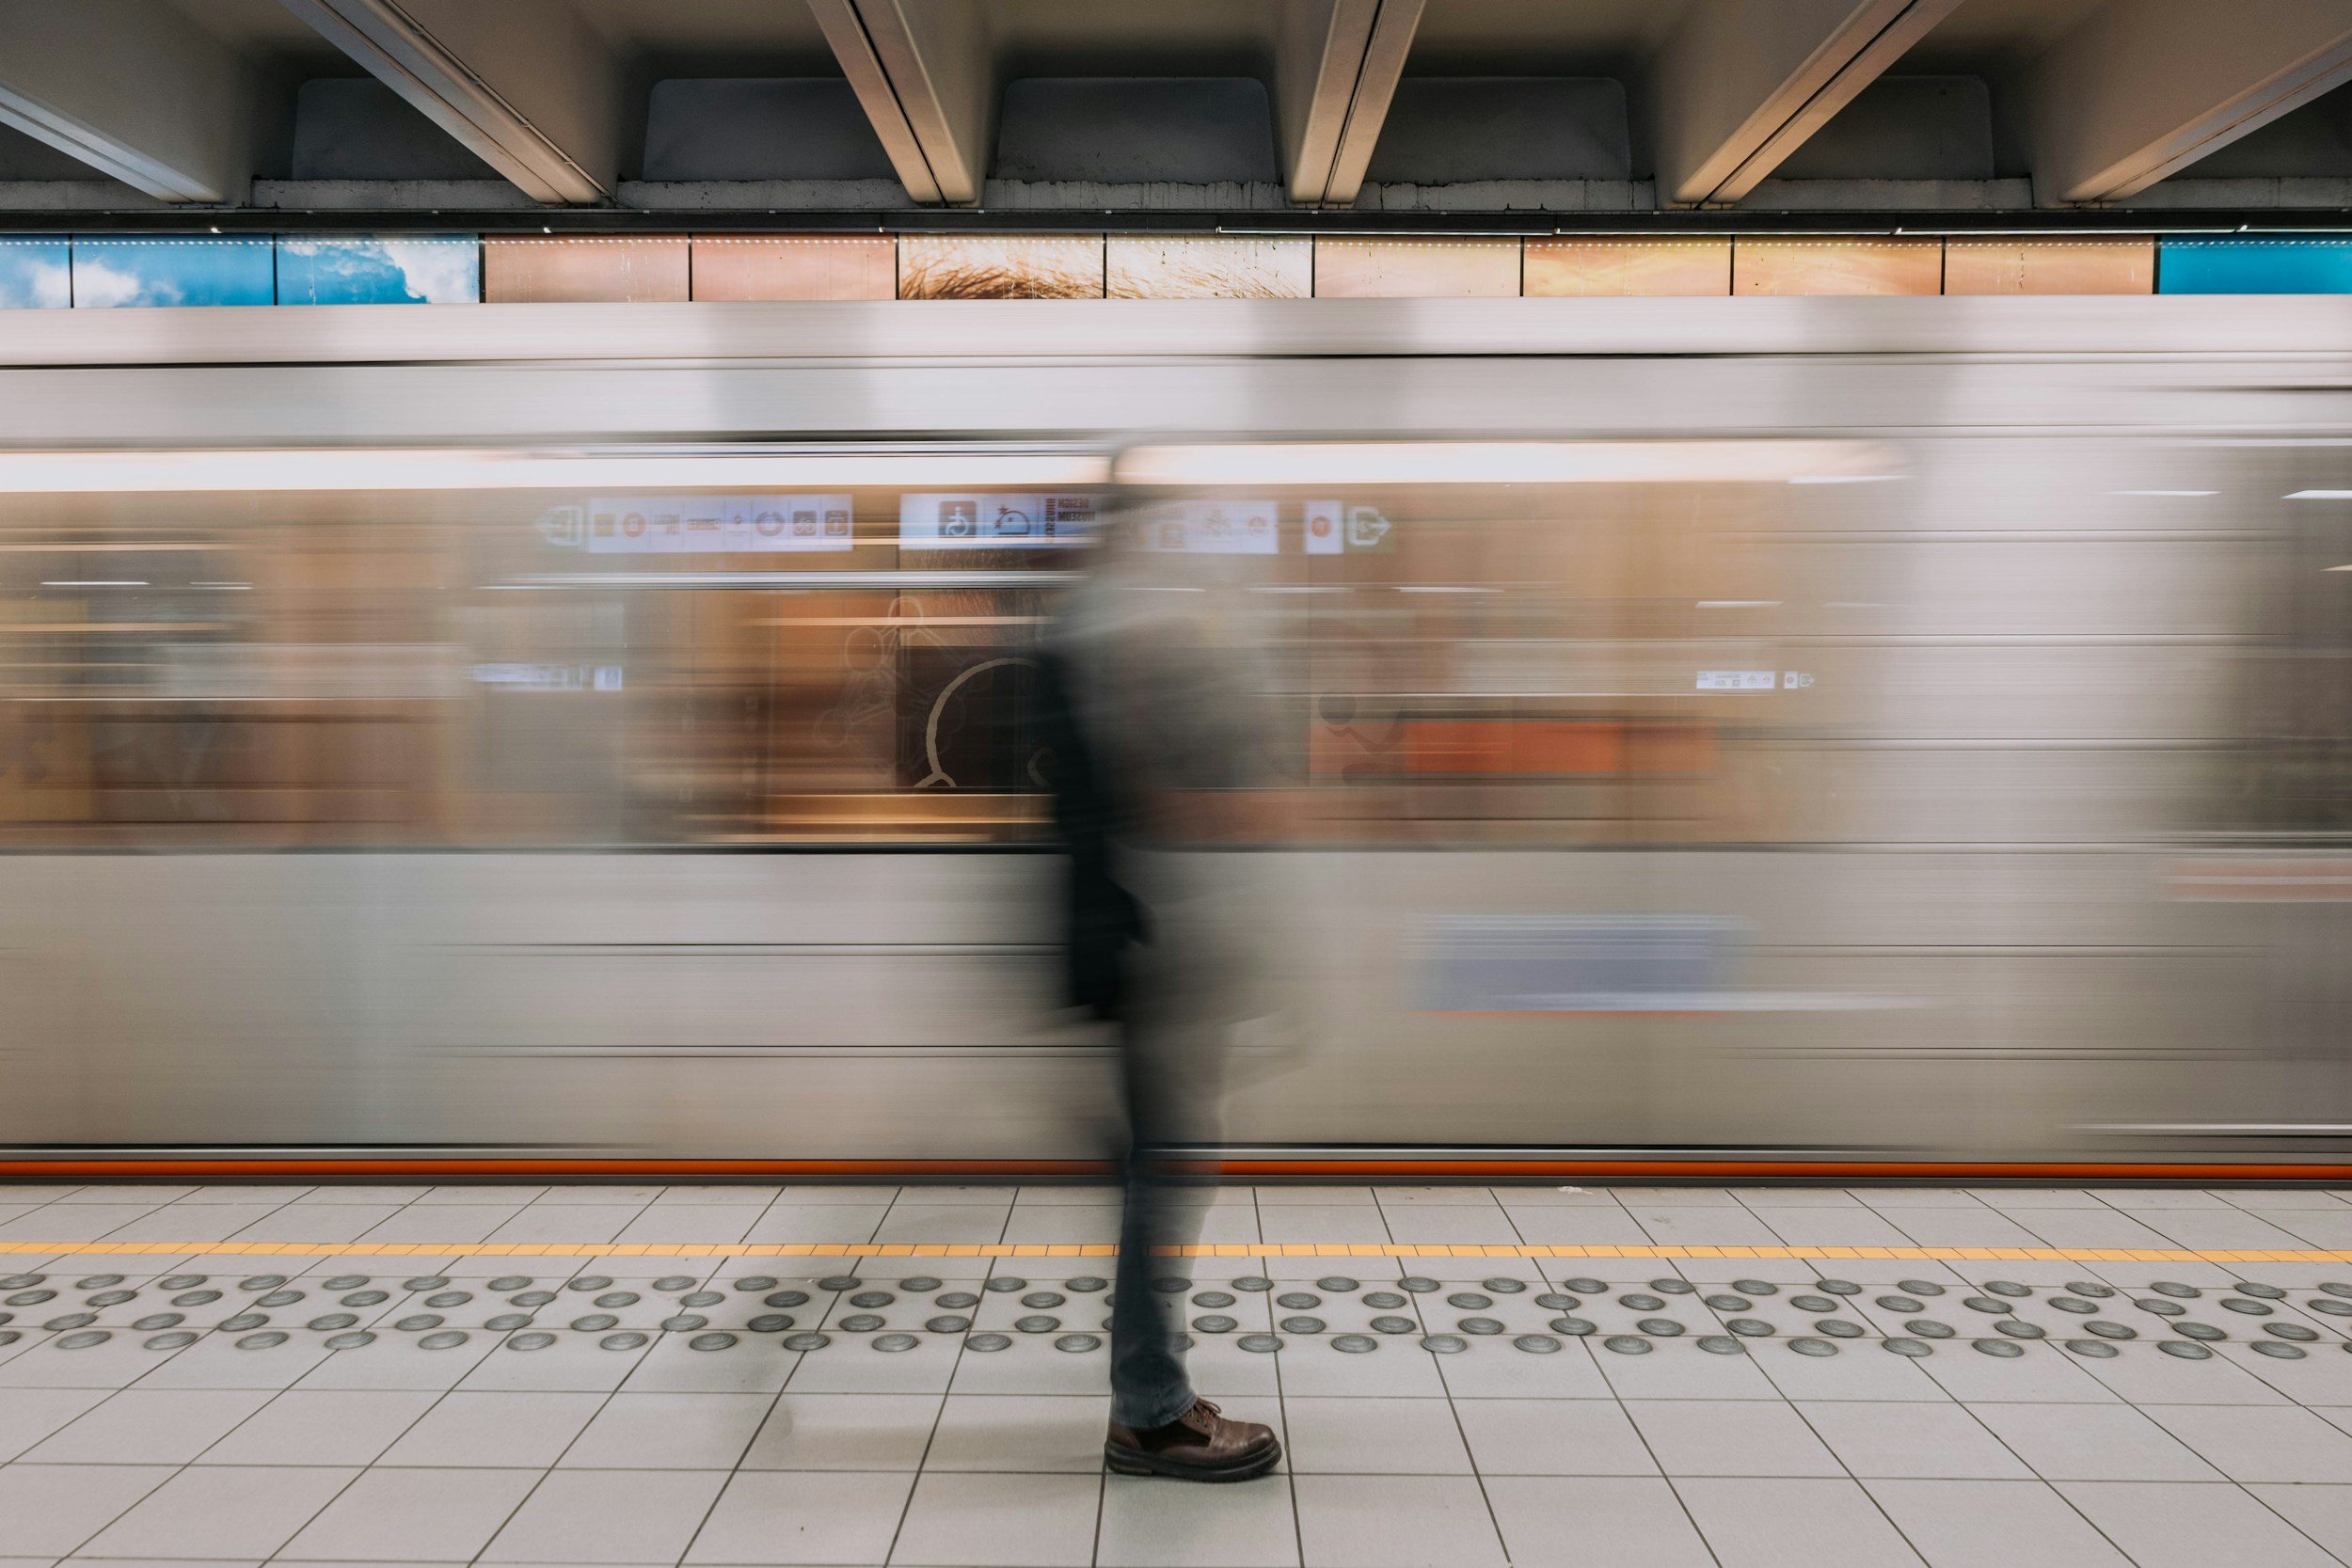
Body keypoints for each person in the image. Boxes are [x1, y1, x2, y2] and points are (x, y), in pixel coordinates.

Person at [1032, 511, 1283, 1482]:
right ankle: (1148, 1410)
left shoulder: (1100, 625)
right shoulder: (1104, 631)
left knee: (1157, 1170)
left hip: (1142, 948)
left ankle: (1153, 1395)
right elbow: (1142, 801)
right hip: (1141, 953)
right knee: (1159, 1174)